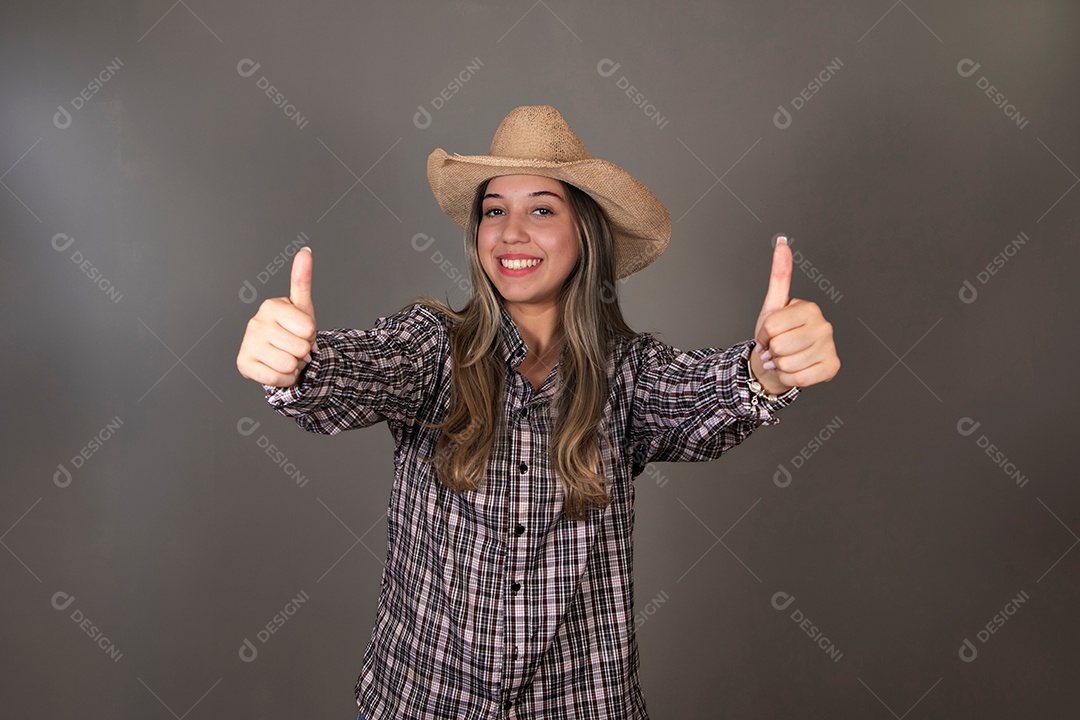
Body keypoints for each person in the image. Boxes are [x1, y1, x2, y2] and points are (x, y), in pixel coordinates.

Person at [236, 105, 840, 719]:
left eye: (542, 209)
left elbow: (702, 394)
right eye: (494, 210)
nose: (510, 232)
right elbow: (365, 369)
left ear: (587, 232)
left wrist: (765, 370)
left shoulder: (628, 374)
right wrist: (300, 364)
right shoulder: (430, 346)